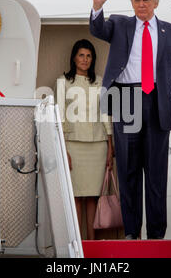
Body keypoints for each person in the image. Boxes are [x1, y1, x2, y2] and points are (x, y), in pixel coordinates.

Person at [89, 0, 171, 239]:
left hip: (159, 100)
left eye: (146, 0)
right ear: (131, 4)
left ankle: (156, 235)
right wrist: (97, 6)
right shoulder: (120, 24)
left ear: (156, 2)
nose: (141, 4)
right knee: (128, 169)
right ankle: (132, 232)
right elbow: (98, 30)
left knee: (156, 173)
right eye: (136, 0)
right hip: (126, 98)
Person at [54, 39, 114, 240]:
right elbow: (60, 117)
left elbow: (106, 116)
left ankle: (91, 246)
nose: (85, 59)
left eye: (89, 56)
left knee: (93, 198)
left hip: (98, 146)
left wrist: (110, 147)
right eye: (81, 55)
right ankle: (77, 246)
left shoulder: (100, 81)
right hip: (73, 145)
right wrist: (64, 150)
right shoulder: (63, 82)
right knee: (76, 198)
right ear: (74, 57)